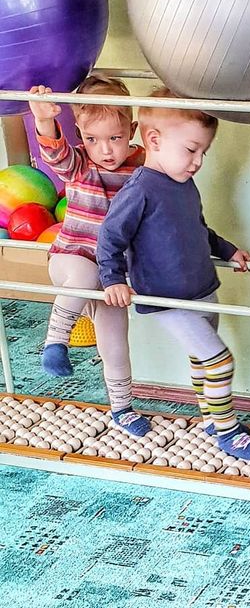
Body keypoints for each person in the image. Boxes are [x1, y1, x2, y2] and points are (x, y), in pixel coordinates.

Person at [96, 88, 250, 460]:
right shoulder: (139, 190)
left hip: (202, 289)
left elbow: (198, 229)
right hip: (168, 299)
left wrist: (228, 249)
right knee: (219, 361)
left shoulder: (185, 185)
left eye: (204, 152)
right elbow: (109, 237)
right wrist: (113, 279)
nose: (198, 161)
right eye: (191, 150)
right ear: (154, 141)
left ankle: (210, 419)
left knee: (202, 360)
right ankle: (227, 431)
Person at [30, 77, 150, 436]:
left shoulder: (141, 167)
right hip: (71, 257)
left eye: (115, 138)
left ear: (132, 131)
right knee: (85, 274)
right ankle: (55, 342)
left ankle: (122, 408)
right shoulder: (80, 163)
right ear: (80, 134)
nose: (106, 150)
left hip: (112, 273)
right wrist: (44, 119)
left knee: (115, 342)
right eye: (93, 139)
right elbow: (55, 153)